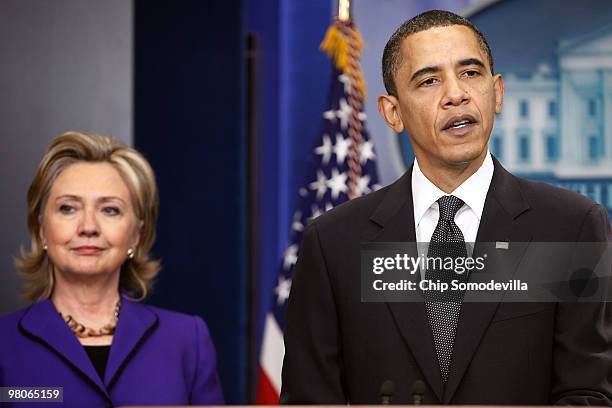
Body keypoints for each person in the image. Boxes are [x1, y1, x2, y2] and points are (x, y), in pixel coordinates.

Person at [281, 10, 612, 405]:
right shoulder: (334, 243)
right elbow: (309, 399)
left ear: (498, 92)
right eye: (429, 80)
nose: (456, 94)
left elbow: (589, 394)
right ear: (393, 112)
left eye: (471, 73)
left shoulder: (570, 226)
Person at [0, 132, 224, 406]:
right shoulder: (4, 343)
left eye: (110, 210)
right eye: (68, 208)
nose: (88, 227)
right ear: (42, 229)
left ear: (136, 235)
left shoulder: (187, 339)